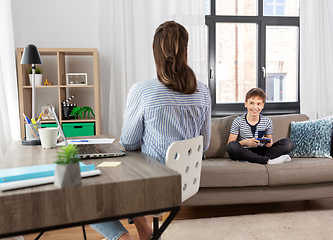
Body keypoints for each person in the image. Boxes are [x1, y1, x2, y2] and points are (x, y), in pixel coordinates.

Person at [91, 21, 211, 240]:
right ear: (185, 50)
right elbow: (206, 143)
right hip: (185, 182)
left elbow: (127, 142)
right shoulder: (203, 90)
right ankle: (144, 229)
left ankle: (124, 238)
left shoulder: (143, 91)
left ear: (156, 53)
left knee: (87, 194)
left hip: (155, 184)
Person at [226, 88, 293, 165]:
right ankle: (267, 161)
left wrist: (269, 143)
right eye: (251, 103)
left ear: (262, 105)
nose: (255, 107)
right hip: (245, 151)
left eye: (258, 104)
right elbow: (230, 144)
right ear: (245, 104)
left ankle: (252, 160)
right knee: (231, 146)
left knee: (288, 143)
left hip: (261, 150)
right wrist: (245, 142)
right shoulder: (238, 121)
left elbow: (270, 142)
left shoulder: (267, 121)